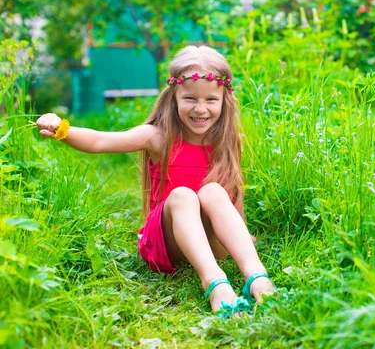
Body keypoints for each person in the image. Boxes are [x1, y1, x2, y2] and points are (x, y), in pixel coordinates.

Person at [36, 45, 274, 318]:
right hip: (167, 244)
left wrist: (241, 232)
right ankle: (215, 284)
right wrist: (61, 128)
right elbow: (101, 140)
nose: (200, 108)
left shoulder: (228, 141)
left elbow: (234, 189)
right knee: (184, 195)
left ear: (224, 100)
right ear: (174, 97)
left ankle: (257, 277)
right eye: (190, 99)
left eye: (211, 99)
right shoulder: (158, 136)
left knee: (213, 191)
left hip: (212, 242)